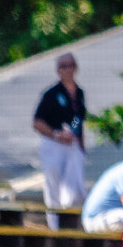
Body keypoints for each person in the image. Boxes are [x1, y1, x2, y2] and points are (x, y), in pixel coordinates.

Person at [33, 53, 87, 230]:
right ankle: (54, 225)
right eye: (64, 66)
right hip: (54, 144)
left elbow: (78, 121)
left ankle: (72, 223)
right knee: (53, 185)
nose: (68, 69)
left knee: (76, 188)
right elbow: (38, 122)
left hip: (72, 145)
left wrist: (80, 144)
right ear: (58, 70)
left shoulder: (79, 93)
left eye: (71, 65)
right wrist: (56, 134)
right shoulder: (52, 94)